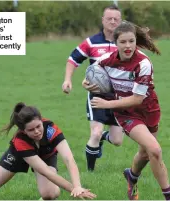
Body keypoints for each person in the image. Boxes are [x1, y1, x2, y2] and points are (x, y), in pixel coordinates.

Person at [82, 21, 170, 200]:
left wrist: (106, 104)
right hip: (127, 114)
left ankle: (131, 176)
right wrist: (85, 83)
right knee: (155, 150)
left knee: (145, 153)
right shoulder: (106, 61)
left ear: (136, 41)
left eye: (131, 41)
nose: (127, 46)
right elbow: (91, 73)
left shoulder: (143, 63)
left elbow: (138, 98)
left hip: (149, 109)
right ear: (115, 43)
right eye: (123, 42)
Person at [0, 102, 96, 200]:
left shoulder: (50, 129)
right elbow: (46, 172)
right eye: (31, 130)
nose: (37, 131)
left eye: (38, 126)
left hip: (45, 155)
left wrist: (77, 186)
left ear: (41, 120)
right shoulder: (20, 141)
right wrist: (72, 189)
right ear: (23, 131)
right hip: (19, 155)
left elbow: (69, 159)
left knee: (49, 194)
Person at [62, 5, 124, 171]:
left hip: (118, 98)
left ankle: (104, 137)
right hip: (96, 94)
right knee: (95, 132)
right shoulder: (91, 42)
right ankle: (91, 172)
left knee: (117, 140)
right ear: (102, 20)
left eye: (116, 19)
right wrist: (68, 80)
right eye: (109, 18)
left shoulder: (125, 42)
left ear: (121, 21)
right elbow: (72, 59)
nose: (112, 21)